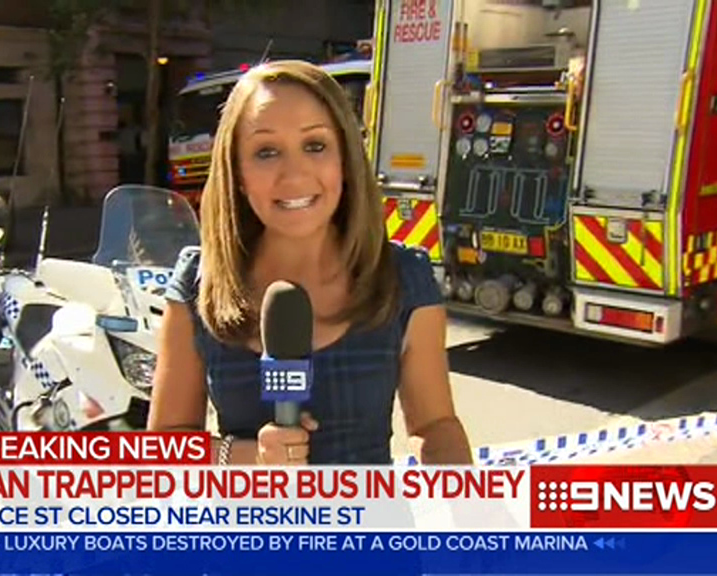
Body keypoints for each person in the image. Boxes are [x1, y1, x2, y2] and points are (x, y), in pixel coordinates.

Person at [146, 59, 473, 466]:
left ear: (345, 160)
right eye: (266, 152)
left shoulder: (403, 278)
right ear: (237, 173)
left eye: (315, 146)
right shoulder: (199, 284)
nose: (295, 175)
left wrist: (465, 495)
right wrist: (247, 456)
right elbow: (162, 451)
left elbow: (435, 425)